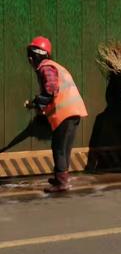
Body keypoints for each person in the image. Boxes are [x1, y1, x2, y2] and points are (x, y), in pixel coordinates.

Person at [25, 36, 88, 193]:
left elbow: (51, 89)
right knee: (64, 147)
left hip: (65, 113)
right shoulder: (55, 66)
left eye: (30, 57)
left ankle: (62, 182)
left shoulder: (46, 67)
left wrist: (36, 101)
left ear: (34, 57)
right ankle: (61, 176)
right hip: (74, 111)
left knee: (59, 148)